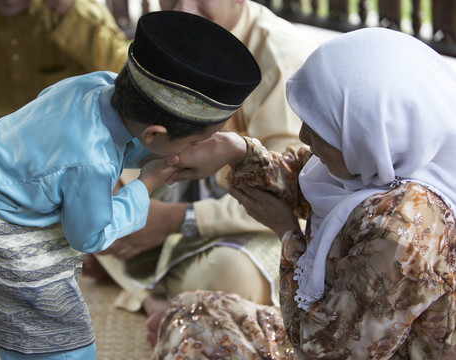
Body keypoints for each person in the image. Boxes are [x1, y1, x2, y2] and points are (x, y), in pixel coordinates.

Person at [0, 10, 262, 360]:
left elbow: (110, 138)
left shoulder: (93, 84)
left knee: (21, 342)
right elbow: (90, 235)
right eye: (197, 140)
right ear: (155, 134)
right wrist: (147, 183)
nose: (195, 148)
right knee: (61, 344)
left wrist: (166, 154)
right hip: (5, 243)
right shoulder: (92, 162)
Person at [152, 27, 456, 359]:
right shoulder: (377, 160)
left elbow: (326, 351)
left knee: (197, 337)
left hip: (332, 346)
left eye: (320, 128)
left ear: (368, 132)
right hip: (328, 335)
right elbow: (297, 174)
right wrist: (235, 150)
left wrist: (287, 234)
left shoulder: (401, 233)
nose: (303, 135)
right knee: (192, 312)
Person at [87, 0, 316, 347]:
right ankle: (172, 296)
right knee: (95, 209)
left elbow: (291, 195)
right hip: (187, 185)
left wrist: (179, 219)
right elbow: (140, 135)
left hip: (260, 217)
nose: (185, 9)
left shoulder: (280, 58)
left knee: (228, 275)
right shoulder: (179, 33)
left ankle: (163, 294)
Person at [0, 0, 130, 234]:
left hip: (68, 150)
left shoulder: (74, 11)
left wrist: (72, 17)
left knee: (101, 175)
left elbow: (125, 81)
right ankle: (32, 221)